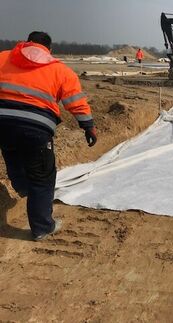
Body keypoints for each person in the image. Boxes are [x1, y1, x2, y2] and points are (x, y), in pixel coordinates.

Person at [0, 31, 97, 241]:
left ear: (26, 43)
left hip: (2, 125)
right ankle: (43, 227)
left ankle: (24, 189)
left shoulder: (2, 57)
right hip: (35, 129)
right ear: (49, 49)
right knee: (42, 178)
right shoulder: (59, 69)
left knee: (12, 153)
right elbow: (75, 101)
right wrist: (88, 126)